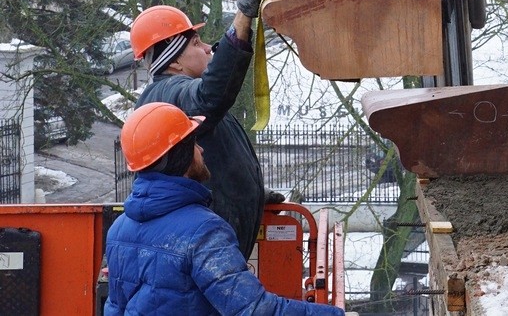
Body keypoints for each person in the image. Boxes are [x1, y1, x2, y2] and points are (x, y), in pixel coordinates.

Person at [104, 102, 346, 316]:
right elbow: (254, 310)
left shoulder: (119, 229)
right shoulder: (203, 232)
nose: (201, 150)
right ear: (180, 154)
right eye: (194, 144)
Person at [128, 0, 280, 259]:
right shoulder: (168, 96)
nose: (208, 47)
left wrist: (249, 194)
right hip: (206, 251)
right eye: (196, 43)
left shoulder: (175, 97)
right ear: (173, 63)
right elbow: (212, 95)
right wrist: (245, 12)